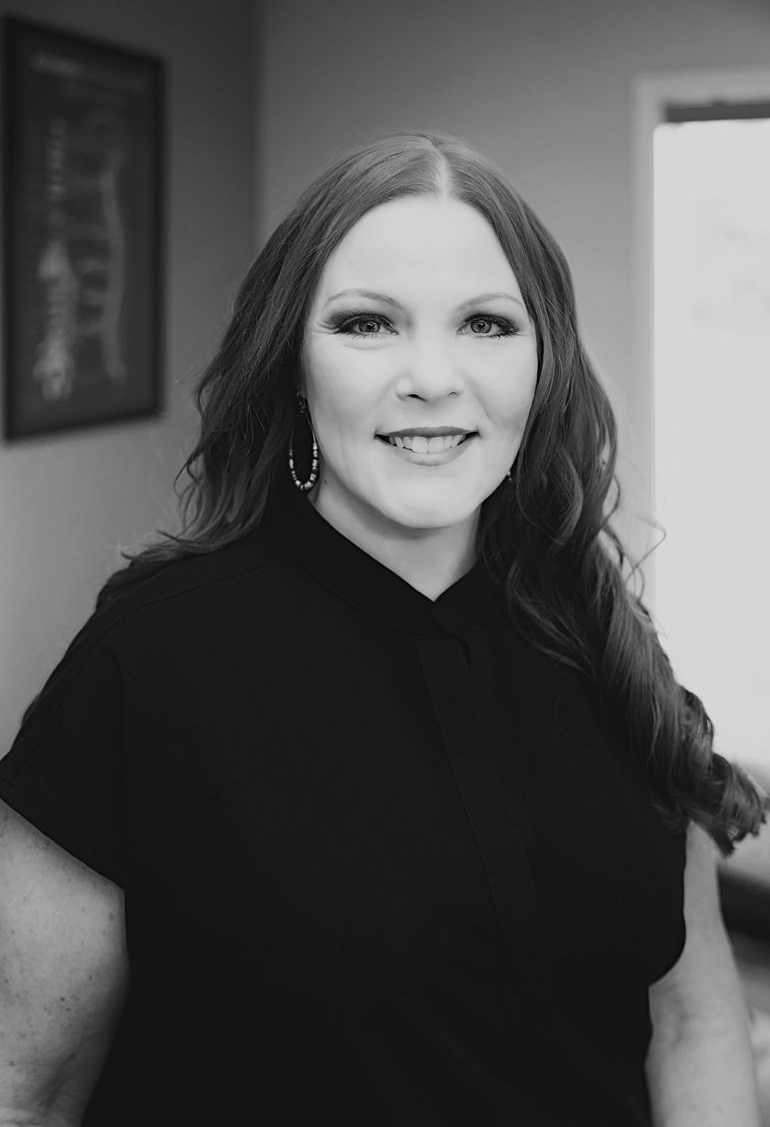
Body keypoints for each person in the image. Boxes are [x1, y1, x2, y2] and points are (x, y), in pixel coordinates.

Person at [0, 129, 765, 1127]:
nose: (431, 377)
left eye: (486, 324)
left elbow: (691, 1029)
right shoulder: (145, 665)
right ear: (291, 365)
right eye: (367, 324)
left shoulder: (607, 652)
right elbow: (29, 1089)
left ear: (542, 368)